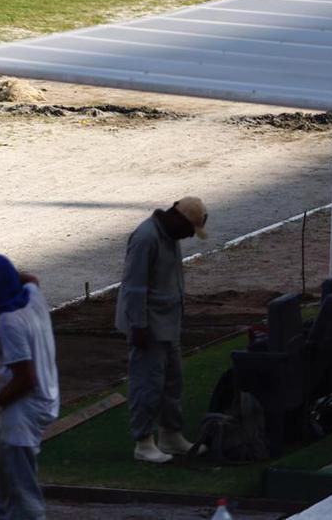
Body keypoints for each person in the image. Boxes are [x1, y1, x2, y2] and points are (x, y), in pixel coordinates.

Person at [115, 196, 209, 463]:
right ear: (178, 220)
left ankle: (170, 435)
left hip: (167, 321)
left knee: (172, 380)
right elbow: (134, 286)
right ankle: (143, 442)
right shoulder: (146, 238)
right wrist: (139, 326)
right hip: (149, 324)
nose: (190, 236)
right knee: (147, 383)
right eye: (190, 229)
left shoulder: (170, 235)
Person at [0, 253, 59, 520]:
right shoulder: (34, 299)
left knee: (22, 491)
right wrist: (3, 274)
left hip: (23, 412)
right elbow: (31, 278)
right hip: (41, 400)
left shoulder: (11, 323)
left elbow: (25, 378)